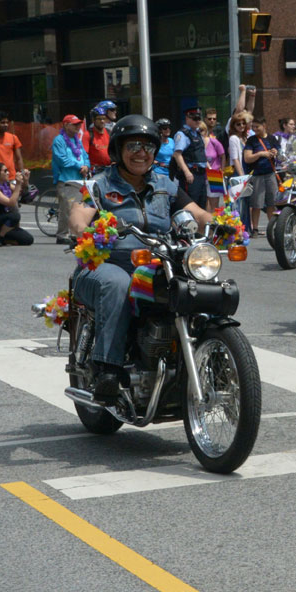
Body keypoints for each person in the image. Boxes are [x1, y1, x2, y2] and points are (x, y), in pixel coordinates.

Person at [68, 116, 216, 398]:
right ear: (118, 150)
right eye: (133, 145)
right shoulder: (98, 184)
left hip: (158, 263)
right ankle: (108, 369)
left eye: (147, 146)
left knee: (201, 282)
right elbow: (79, 216)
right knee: (118, 284)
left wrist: (223, 224)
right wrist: (85, 230)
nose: (141, 152)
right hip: (107, 264)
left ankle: (211, 353)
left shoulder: (165, 184)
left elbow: (197, 213)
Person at [51, 114, 90, 245]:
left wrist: (86, 166)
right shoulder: (59, 140)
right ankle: (62, 235)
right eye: (75, 124)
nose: (78, 127)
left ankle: (74, 233)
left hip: (79, 180)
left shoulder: (77, 140)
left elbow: (85, 156)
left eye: (79, 124)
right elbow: (62, 160)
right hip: (65, 180)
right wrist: (79, 166)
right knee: (66, 208)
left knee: (77, 209)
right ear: (66, 125)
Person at [243, 116, 280, 233]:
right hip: (257, 175)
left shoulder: (272, 138)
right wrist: (260, 154)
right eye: (253, 127)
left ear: (264, 126)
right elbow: (247, 158)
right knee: (257, 204)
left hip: (270, 174)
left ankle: (272, 228)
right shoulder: (251, 140)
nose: (255, 129)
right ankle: (255, 228)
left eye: (257, 127)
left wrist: (275, 152)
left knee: (272, 203)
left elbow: (278, 151)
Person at [172, 106, 209, 209]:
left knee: (202, 204)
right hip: (191, 174)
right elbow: (177, 154)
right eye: (195, 118)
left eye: (199, 118)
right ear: (187, 118)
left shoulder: (198, 133)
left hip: (201, 174)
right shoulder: (183, 134)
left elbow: (201, 154)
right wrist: (186, 172)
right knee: (191, 204)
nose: (197, 121)